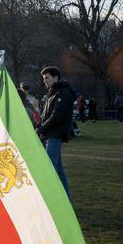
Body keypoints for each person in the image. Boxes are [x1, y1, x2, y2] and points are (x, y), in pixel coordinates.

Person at [36, 66, 76, 199]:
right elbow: (46, 115)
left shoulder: (63, 93)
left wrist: (41, 129)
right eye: (43, 78)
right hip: (50, 134)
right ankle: (66, 198)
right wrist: (38, 126)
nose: (45, 81)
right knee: (58, 170)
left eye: (47, 78)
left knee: (48, 168)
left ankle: (46, 199)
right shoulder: (52, 93)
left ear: (55, 78)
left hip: (55, 135)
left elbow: (56, 116)